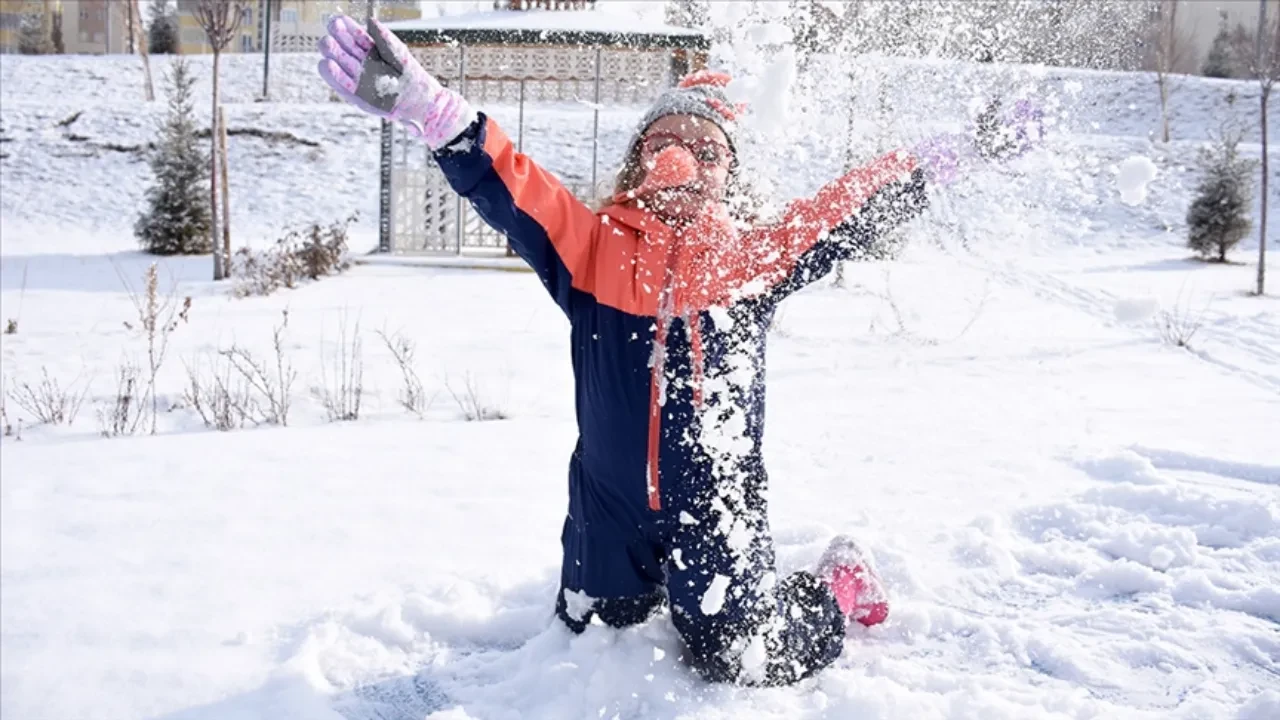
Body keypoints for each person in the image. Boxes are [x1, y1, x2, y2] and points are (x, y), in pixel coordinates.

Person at [319, 16, 931, 687]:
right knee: (591, 633)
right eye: (664, 140)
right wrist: (435, 113)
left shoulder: (752, 257)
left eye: (707, 149)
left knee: (739, 655)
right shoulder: (591, 247)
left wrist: (937, 161)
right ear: (638, 158)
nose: (681, 157)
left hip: (716, 506)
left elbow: (840, 210)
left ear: (730, 172)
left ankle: (837, 584)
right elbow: (516, 188)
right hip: (608, 504)